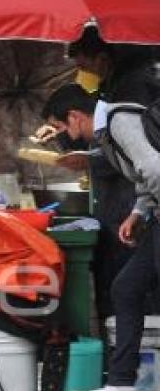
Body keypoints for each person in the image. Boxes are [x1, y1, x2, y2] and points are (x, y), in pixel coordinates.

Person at [42, 84, 160, 391]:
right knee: (126, 288)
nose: (67, 136)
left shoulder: (119, 121)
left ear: (74, 117)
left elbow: (154, 168)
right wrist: (140, 212)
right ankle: (122, 388)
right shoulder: (106, 137)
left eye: (63, 128)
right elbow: (143, 174)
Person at [39, 27, 160, 325]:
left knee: (135, 292)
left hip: (131, 202)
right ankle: (125, 370)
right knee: (125, 290)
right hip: (134, 206)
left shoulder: (131, 90)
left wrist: (143, 209)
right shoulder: (115, 85)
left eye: (83, 66)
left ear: (103, 59)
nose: (82, 75)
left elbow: (148, 162)